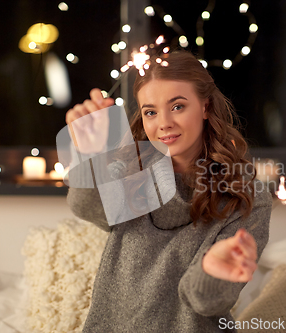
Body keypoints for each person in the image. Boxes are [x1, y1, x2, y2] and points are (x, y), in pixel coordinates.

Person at [65, 50, 272, 332]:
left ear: (206, 107)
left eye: (177, 107)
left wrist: (211, 269)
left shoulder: (247, 198)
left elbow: (205, 302)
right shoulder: (129, 172)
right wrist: (90, 153)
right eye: (150, 112)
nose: (164, 123)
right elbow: (85, 206)